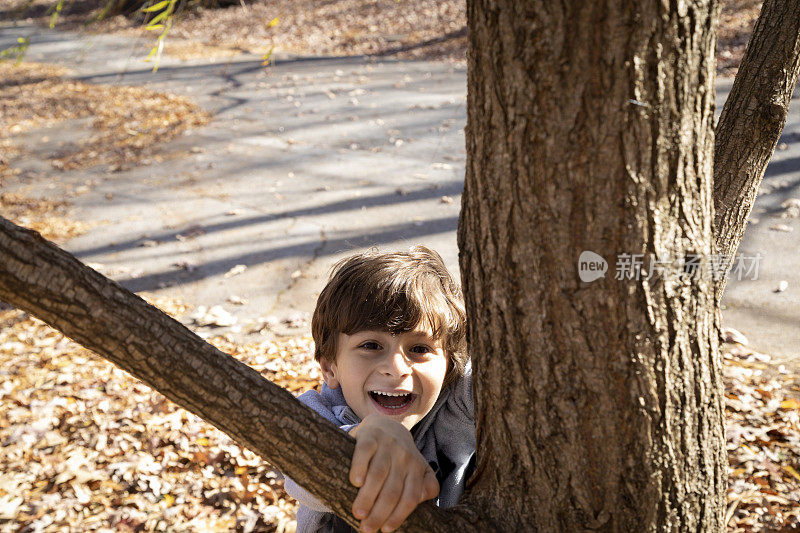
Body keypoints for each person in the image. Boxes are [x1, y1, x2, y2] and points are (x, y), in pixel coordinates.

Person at [283, 246, 476, 533]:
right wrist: (362, 439)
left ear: (448, 366)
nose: (396, 368)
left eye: (420, 349)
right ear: (329, 368)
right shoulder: (316, 413)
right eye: (371, 346)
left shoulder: (455, 406)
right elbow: (298, 466)